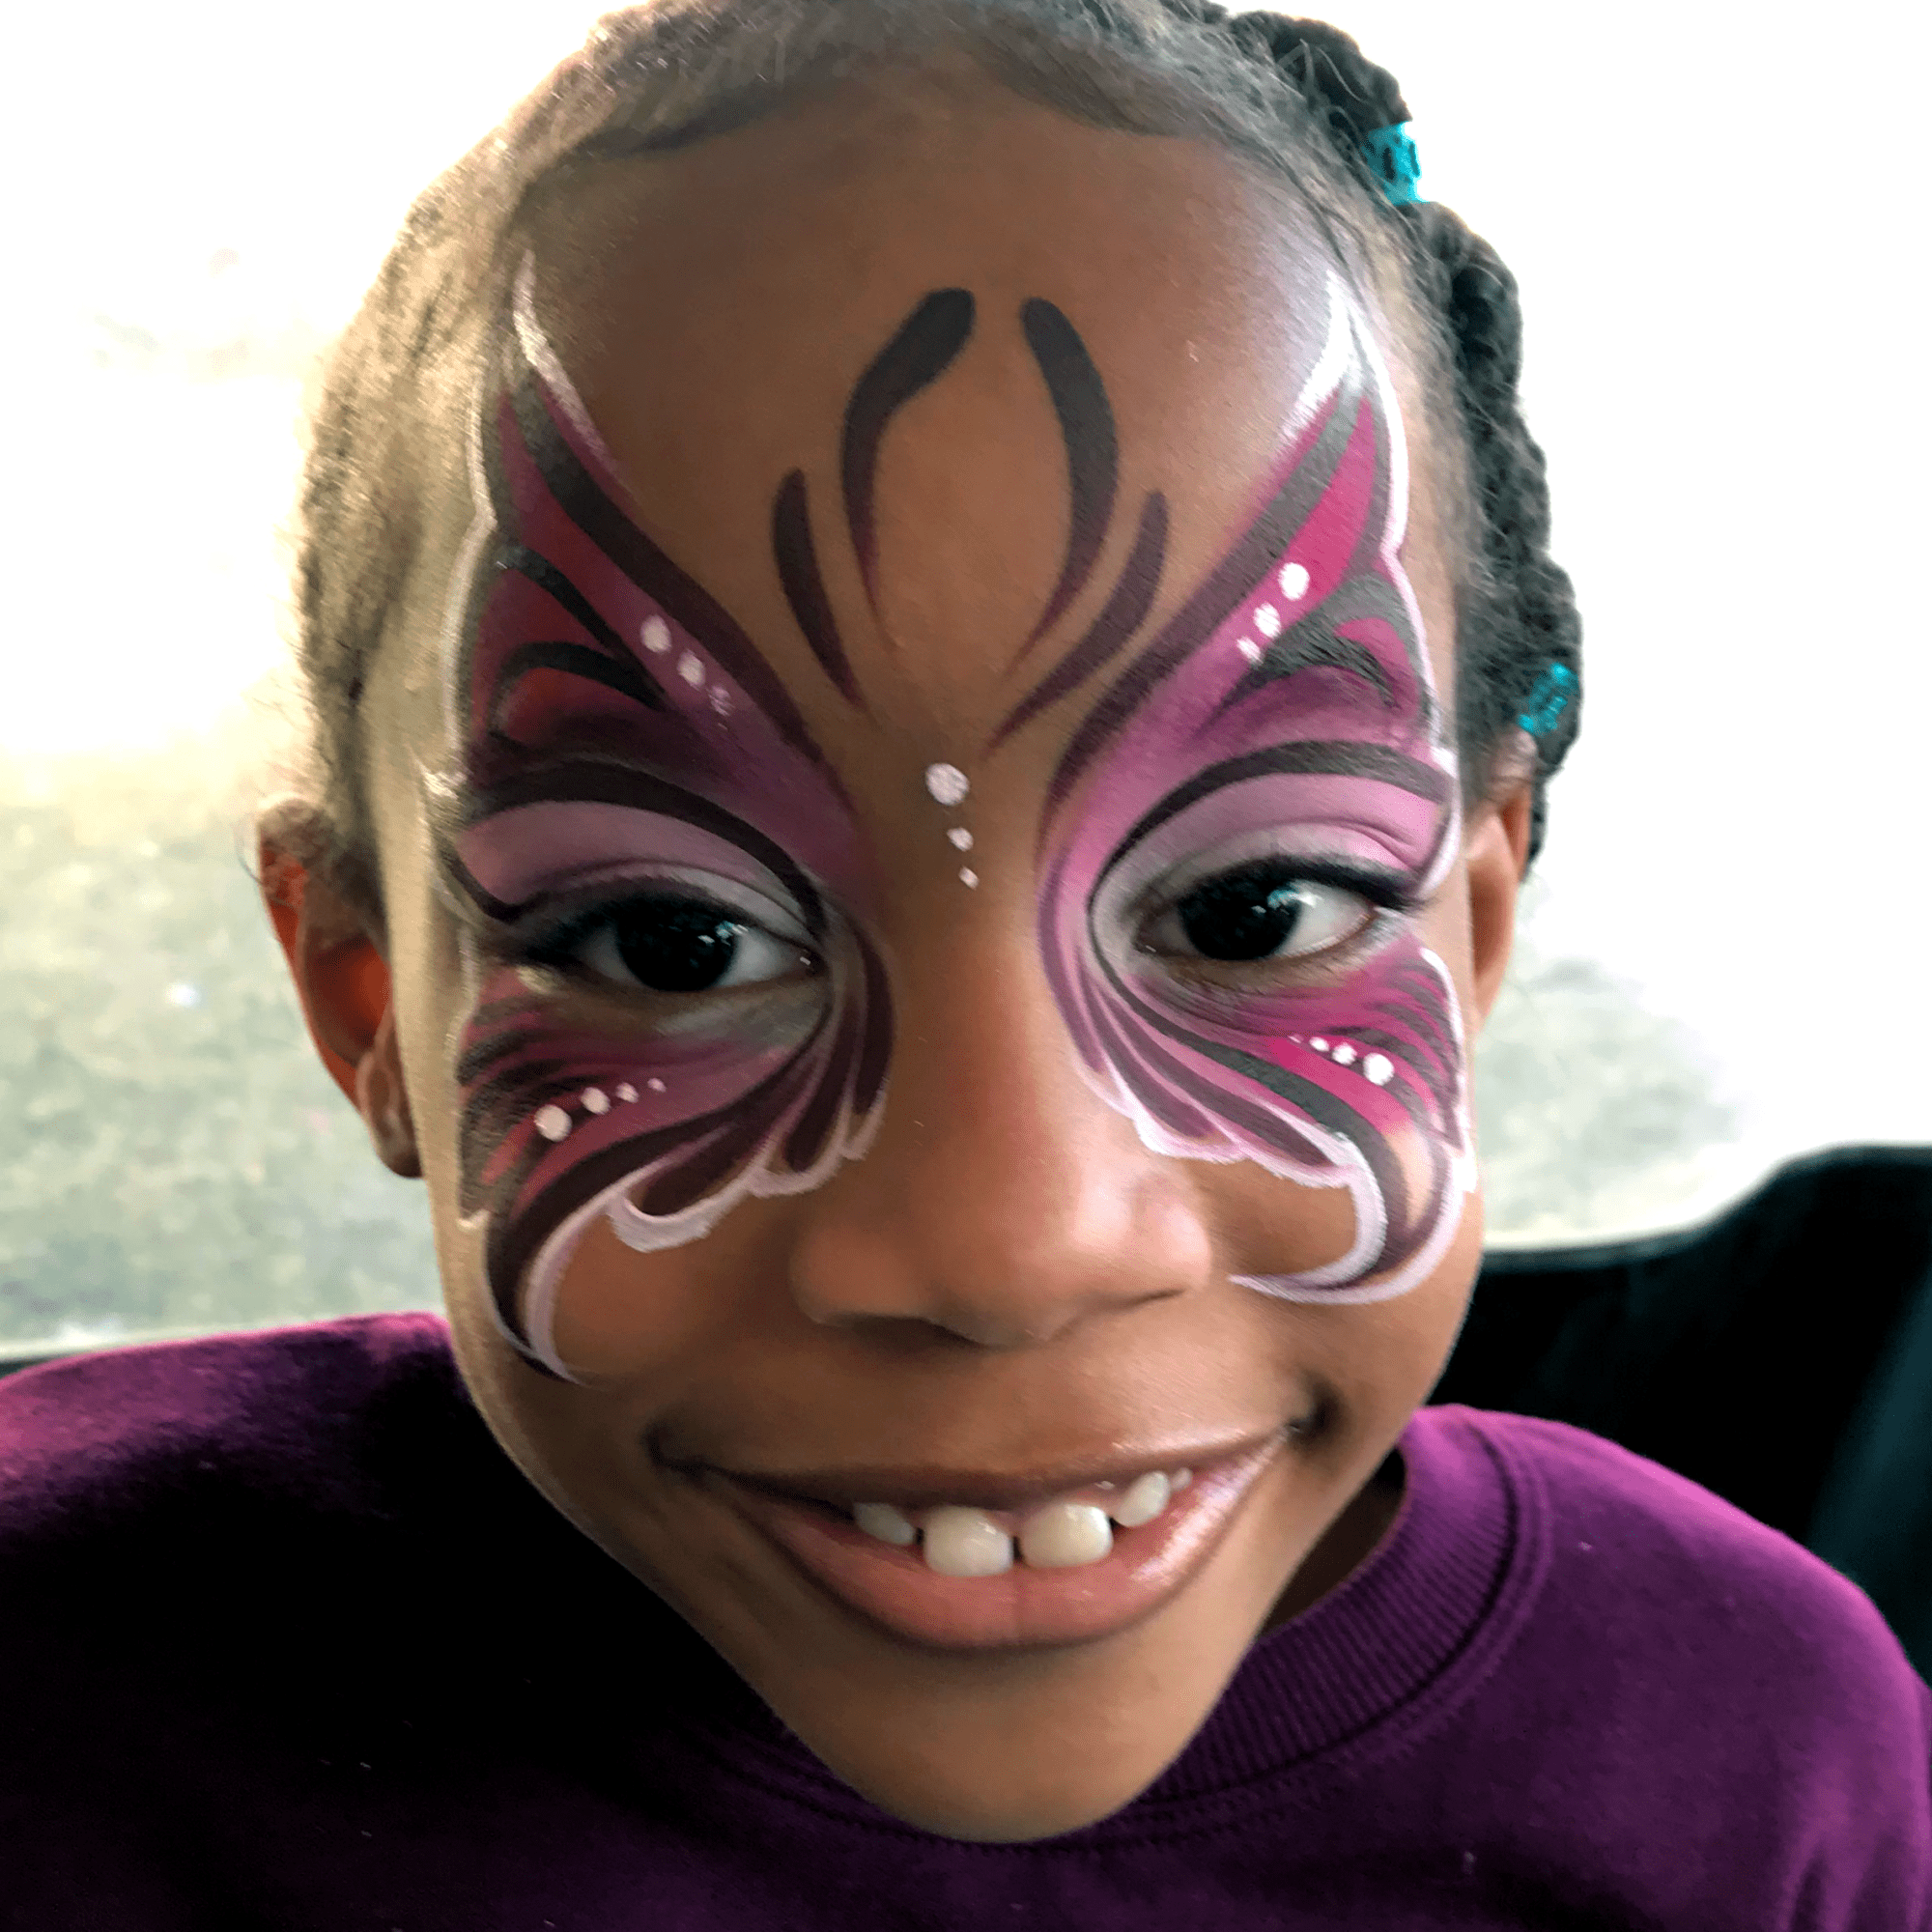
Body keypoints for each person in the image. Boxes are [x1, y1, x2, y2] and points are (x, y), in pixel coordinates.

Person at [2, 2, 1925, 1922]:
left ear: (1475, 934)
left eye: (1251, 912)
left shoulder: (1748, 1774)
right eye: (674, 941)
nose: (1013, 1246)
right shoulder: (60, 1704)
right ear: (365, 1003)